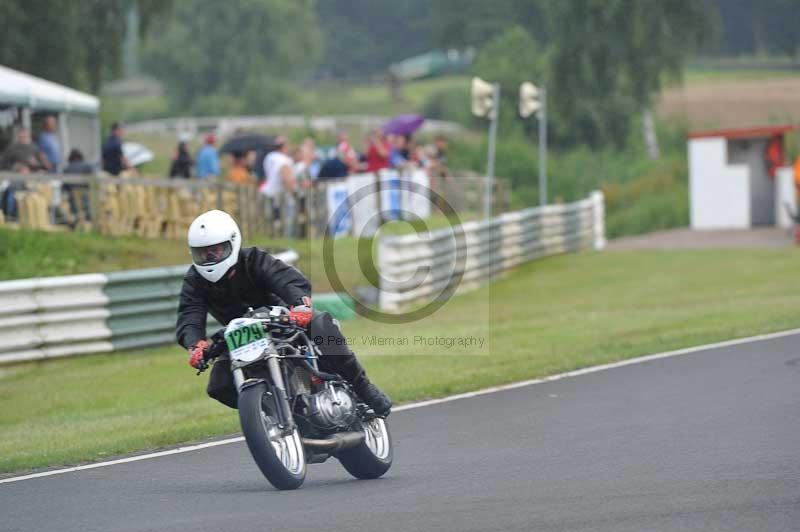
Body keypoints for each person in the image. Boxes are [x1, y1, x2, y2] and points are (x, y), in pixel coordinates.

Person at [175, 209, 392, 415]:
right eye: (202, 253)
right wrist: (195, 344)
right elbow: (189, 314)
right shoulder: (195, 280)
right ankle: (276, 414)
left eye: (216, 250)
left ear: (232, 242)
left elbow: (285, 279)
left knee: (320, 324)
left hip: (281, 320)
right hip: (238, 336)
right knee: (218, 386)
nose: (209, 257)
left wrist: (299, 306)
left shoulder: (254, 260)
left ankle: (363, 388)